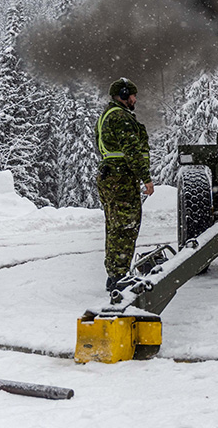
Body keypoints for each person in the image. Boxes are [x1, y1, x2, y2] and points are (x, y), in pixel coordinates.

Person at [95, 78, 154, 291]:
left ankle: (114, 274)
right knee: (126, 226)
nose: (135, 99)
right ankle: (119, 277)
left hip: (109, 176)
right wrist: (146, 178)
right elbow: (132, 150)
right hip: (121, 178)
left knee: (113, 226)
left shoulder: (106, 116)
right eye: (132, 95)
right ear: (124, 94)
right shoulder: (121, 117)